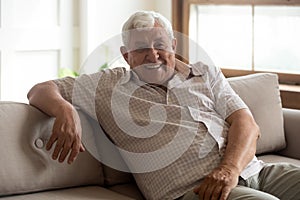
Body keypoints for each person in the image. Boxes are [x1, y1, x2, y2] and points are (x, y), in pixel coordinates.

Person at [27, 11, 300, 200]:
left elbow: (247, 124)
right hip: (196, 190)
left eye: (160, 44)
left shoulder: (204, 73)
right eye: (141, 48)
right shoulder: (107, 87)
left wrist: (229, 170)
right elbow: (41, 89)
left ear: (173, 44)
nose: (153, 54)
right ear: (125, 55)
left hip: (254, 170)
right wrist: (65, 110)